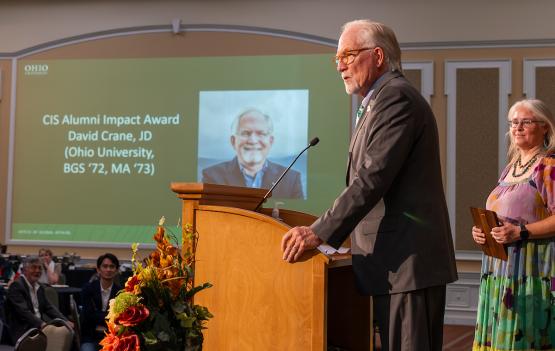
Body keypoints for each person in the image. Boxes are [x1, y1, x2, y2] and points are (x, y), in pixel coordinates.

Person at [280, 19, 457, 351]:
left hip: (407, 264)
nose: (340, 66)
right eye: (337, 59)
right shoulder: (379, 101)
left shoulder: (396, 99)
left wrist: (318, 231)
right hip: (394, 264)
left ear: (377, 56)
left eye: (348, 55)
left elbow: (372, 179)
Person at [471, 99, 555, 350]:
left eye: (526, 121)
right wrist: (482, 232)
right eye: (513, 122)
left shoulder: (548, 166)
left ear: (544, 128)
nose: (517, 128)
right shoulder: (510, 168)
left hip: (531, 270)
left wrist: (521, 232)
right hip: (500, 272)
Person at [202, 108, 304, 198]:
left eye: (261, 134)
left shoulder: (291, 179)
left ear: (271, 141)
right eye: (245, 133)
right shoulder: (212, 177)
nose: (253, 140)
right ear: (233, 141)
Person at [5, 255, 72, 342]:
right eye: (33, 268)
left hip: (37, 328)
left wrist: (65, 321)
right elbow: (24, 312)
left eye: (39, 268)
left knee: (68, 334)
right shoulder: (17, 286)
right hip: (23, 330)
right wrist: (42, 324)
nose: (37, 271)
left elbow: (49, 307)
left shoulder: (39, 287)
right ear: (25, 270)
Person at [81, 253, 121, 351]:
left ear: (116, 270)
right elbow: (87, 315)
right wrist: (109, 318)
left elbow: (119, 318)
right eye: (105, 266)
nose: (108, 270)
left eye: (112, 267)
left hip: (113, 338)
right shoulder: (88, 289)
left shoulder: (121, 293)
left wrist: (97, 315)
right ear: (98, 269)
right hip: (90, 337)